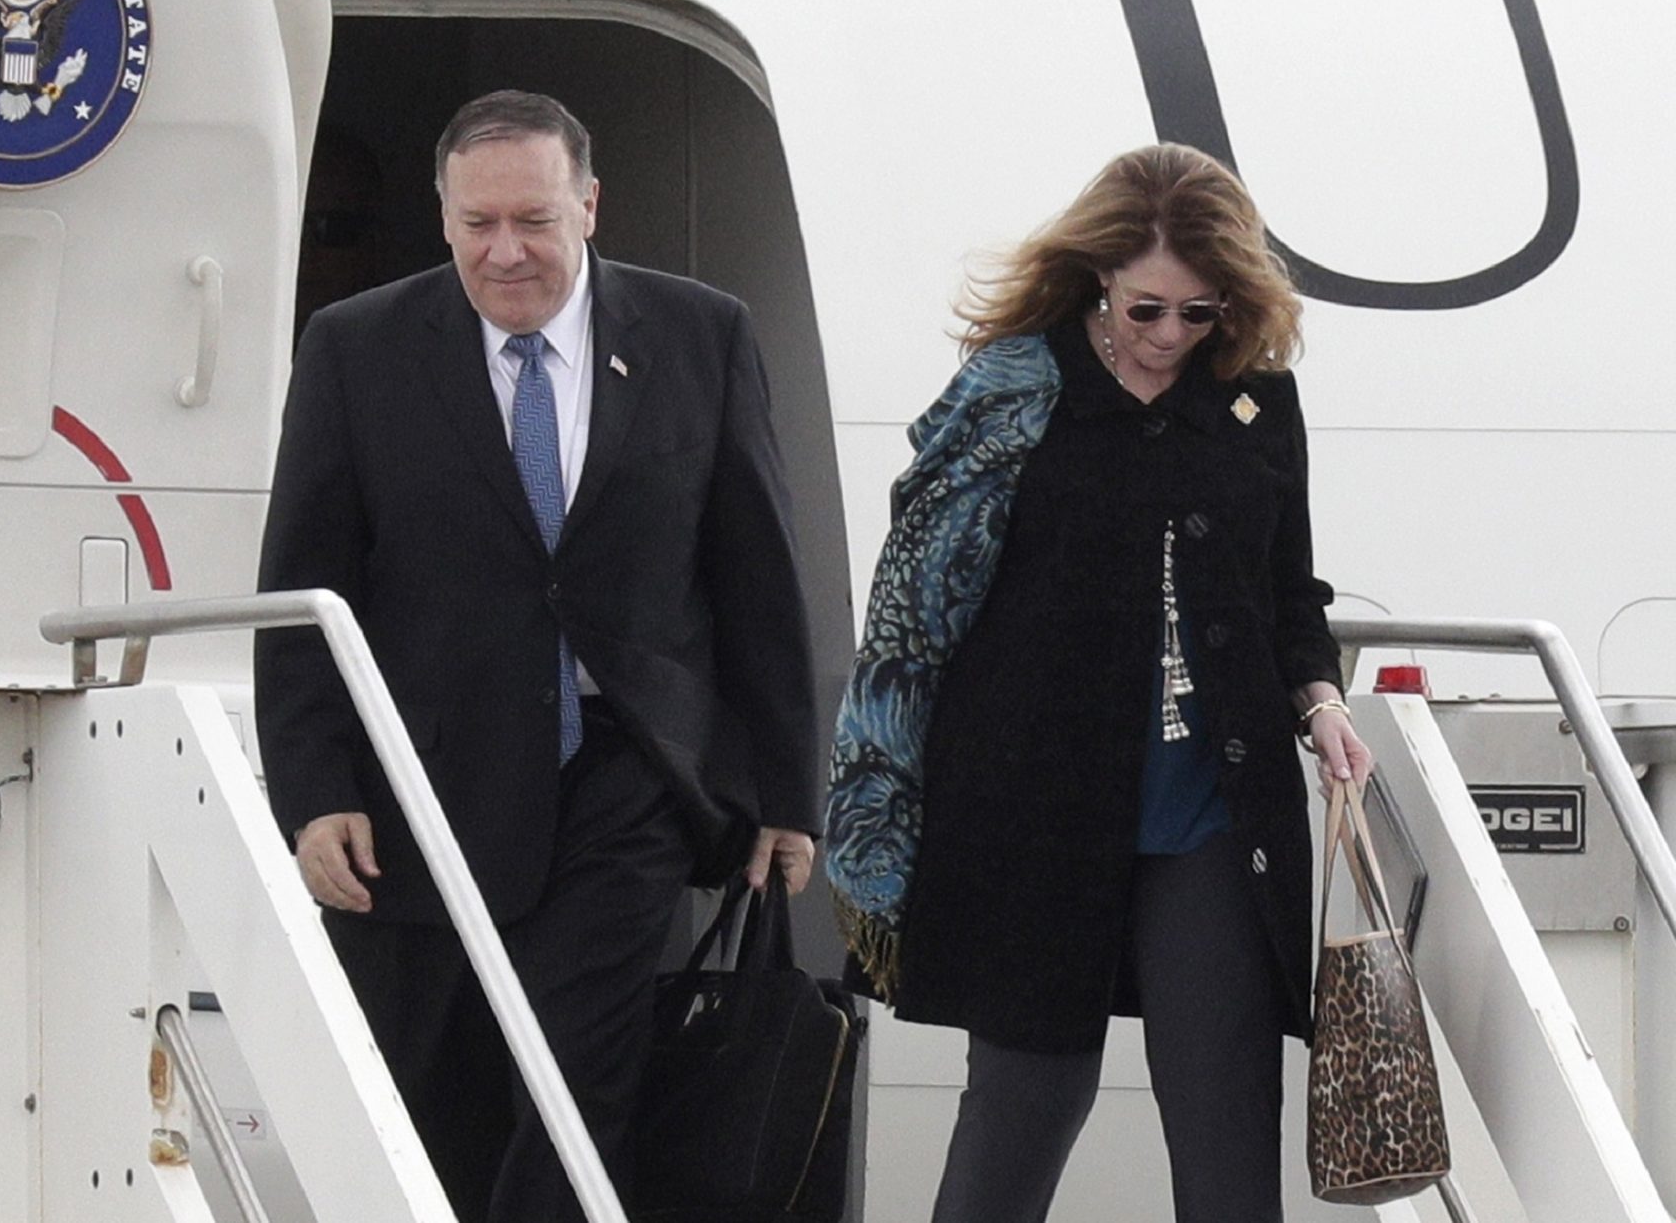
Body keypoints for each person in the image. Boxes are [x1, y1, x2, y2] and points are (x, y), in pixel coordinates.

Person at [255, 90, 820, 1223]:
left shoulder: (700, 335)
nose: (505, 251)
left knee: (576, 1084)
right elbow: (305, 590)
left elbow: (757, 578)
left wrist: (782, 796)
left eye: (535, 220)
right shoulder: (356, 349)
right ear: (445, 217)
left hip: (624, 774)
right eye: (477, 225)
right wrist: (315, 795)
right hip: (422, 784)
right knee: (424, 1094)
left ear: (591, 207)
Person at [826, 143, 1371, 1221]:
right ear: (1095, 278)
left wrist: (1319, 699)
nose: (1169, 336)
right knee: (1015, 1127)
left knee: (1226, 1147)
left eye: (1199, 313)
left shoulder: (1258, 399)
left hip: (1210, 817)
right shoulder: (1015, 390)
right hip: (1036, 813)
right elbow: (912, 610)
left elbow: (1285, 591)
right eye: (1145, 307)